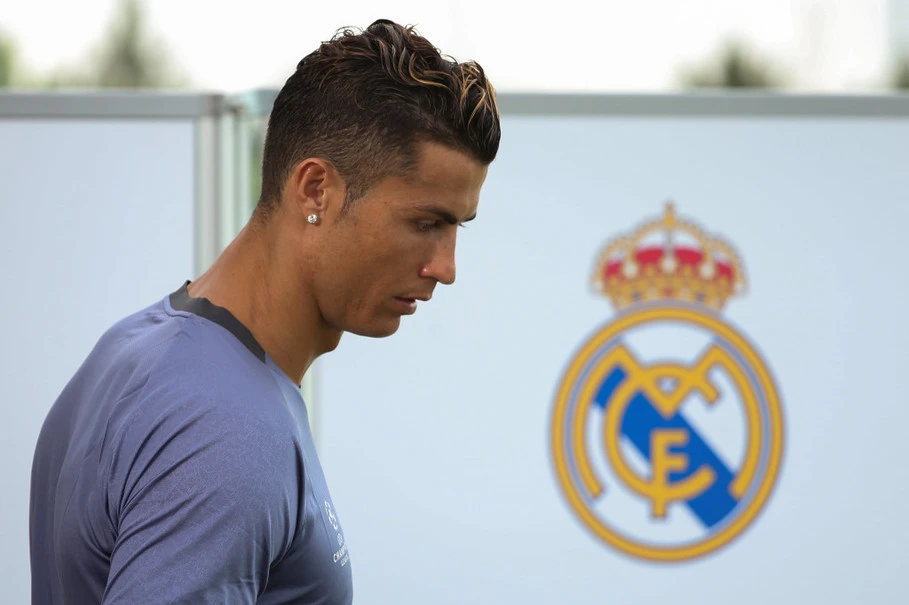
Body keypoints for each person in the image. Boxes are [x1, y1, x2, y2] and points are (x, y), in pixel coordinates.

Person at [29, 19, 500, 604]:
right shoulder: (226, 429)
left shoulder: (132, 349)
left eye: (457, 228)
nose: (445, 267)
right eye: (426, 223)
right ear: (315, 190)